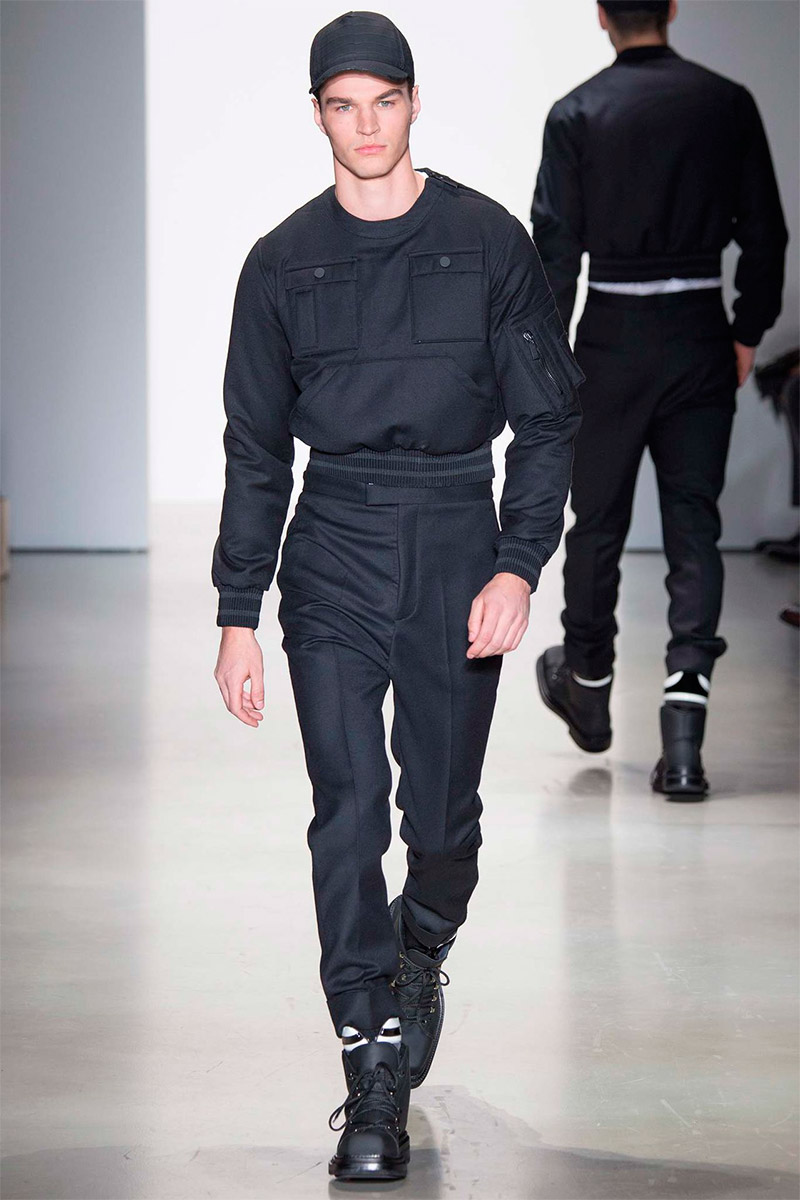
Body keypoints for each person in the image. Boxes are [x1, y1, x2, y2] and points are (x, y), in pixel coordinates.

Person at [210, 10, 583, 1182]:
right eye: (342, 105)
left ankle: (421, 944)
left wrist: (516, 563)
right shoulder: (280, 261)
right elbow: (255, 448)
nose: (365, 125)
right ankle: (369, 1061)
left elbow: (547, 418)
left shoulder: (486, 242)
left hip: (456, 541)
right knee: (346, 808)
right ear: (317, 114)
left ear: (413, 103)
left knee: (440, 819)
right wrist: (235, 613)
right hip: (332, 545)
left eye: (383, 101)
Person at [532, 0, 788, 799]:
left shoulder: (575, 113)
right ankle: (683, 741)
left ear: (599, 15)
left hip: (610, 337)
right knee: (693, 528)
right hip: (698, 332)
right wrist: (745, 330)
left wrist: (548, 362)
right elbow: (768, 234)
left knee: (596, 523)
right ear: (672, 8)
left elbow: (554, 251)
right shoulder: (726, 103)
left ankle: (589, 688)